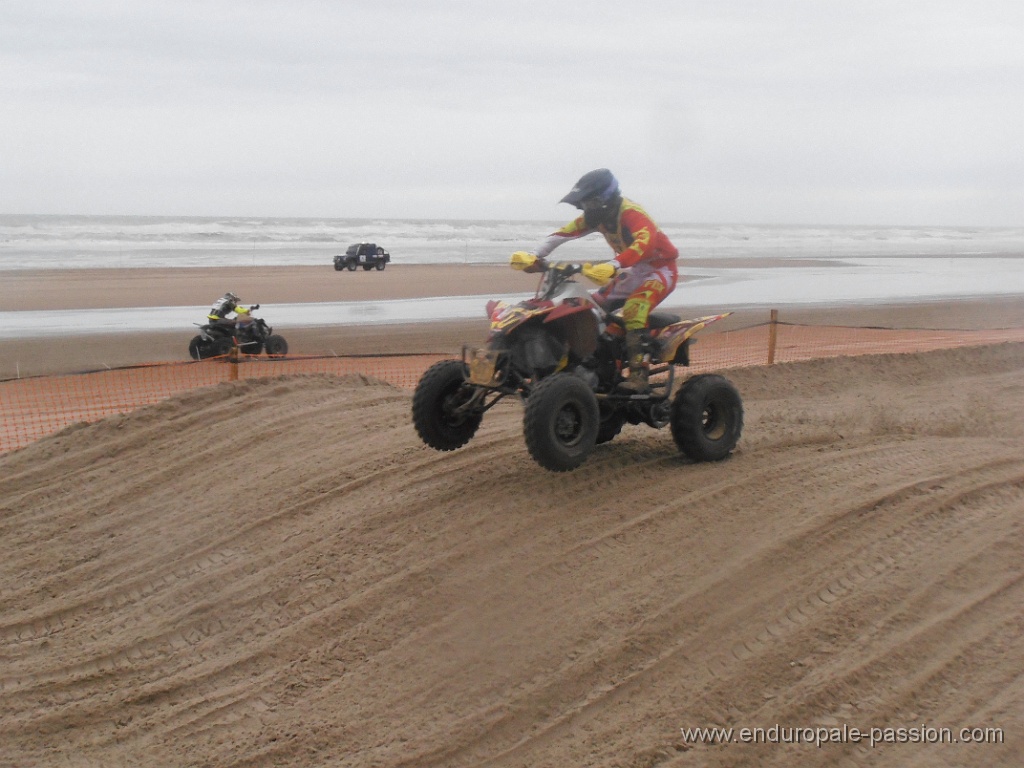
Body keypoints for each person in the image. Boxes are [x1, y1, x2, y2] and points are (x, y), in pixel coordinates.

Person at [511, 168, 679, 391]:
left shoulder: (632, 214)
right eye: (582, 204)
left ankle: (639, 375)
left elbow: (643, 244)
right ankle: (597, 364)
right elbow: (562, 234)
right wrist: (534, 255)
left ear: (604, 199)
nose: (584, 209)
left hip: (660, 269)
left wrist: (613, 265)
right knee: (591, 307)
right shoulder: (597, 217)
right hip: (634, 269)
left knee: (634, 308)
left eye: (588, 203)